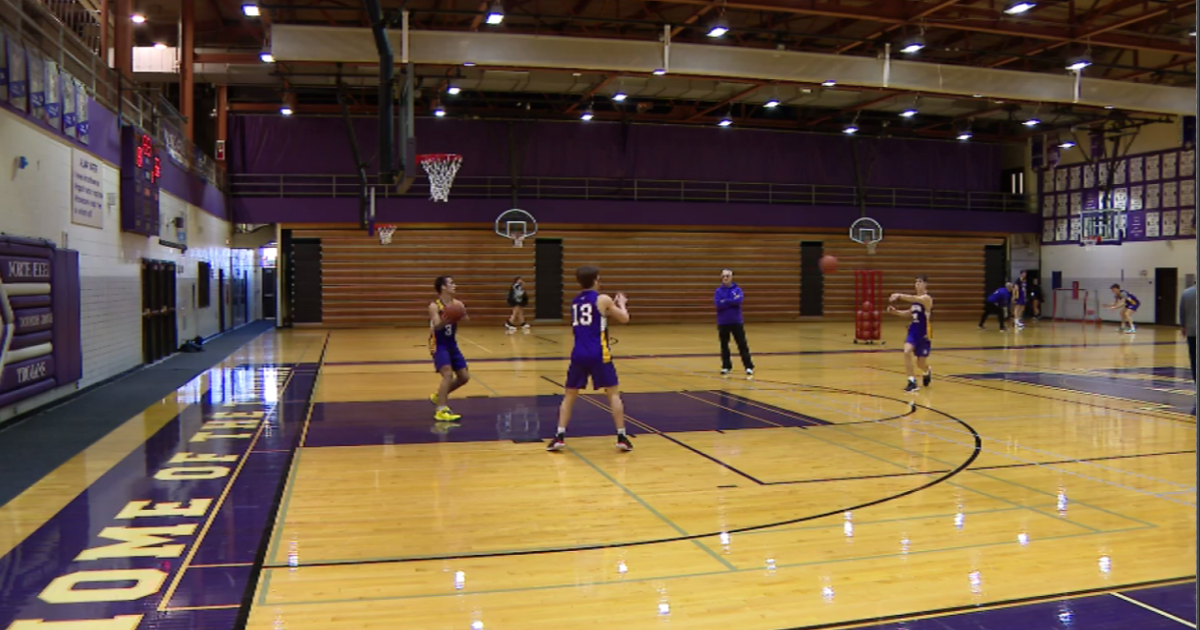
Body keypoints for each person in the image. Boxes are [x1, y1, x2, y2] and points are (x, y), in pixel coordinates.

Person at [547, 265, 633, 452]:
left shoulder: (575, 301)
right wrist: (622, 303)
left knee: (569, 395)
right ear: (595, 280)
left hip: (578, 353)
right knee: (613, 394)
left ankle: (559, 436)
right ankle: (621, 436)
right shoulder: (603, 299)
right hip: (598, 353)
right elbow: (624, 318)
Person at [428, 276, 471, 422]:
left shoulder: (457, 303)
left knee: (464, 377)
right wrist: (446, 318)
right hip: (438, 343)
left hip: (452, 343)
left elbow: (466, 319)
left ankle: (438, 396)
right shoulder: (434, 306)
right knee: (447, 373)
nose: (455, 285)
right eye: (451, 283)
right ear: (443, 287)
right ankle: (440, 410)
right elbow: (437, 326)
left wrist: (461, 313)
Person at [888, 275, 933, 393]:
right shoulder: (915, 300)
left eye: (920, 282)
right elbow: (909, 313)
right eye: (916, 282)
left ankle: (927, 371)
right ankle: (912, 381)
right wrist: (896, 312)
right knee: (906, 351)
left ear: (925, 284)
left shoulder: (926, 298)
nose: (917, 284)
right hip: (913, 330)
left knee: (920, 363)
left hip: (924, 333)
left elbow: (914, 299)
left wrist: (899, 295)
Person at [714, 269, 755, 378]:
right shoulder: (718, 291)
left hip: (736, 321)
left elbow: (738, 301)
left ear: (731, 277)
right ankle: (726, 366)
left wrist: (725, 301)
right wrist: (730, 301)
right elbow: (718, 304)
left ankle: (748, 366)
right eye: (723, 276)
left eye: (727, 276)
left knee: (742, 344)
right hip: (723, 322)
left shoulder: (737, 290)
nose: (725, 278)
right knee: (724, 345)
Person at [1180, 282, 1196, 383]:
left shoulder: (1186, 293)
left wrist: (1183, 326)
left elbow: (1182, 312)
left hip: (1192, 331)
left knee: (1194, 358)